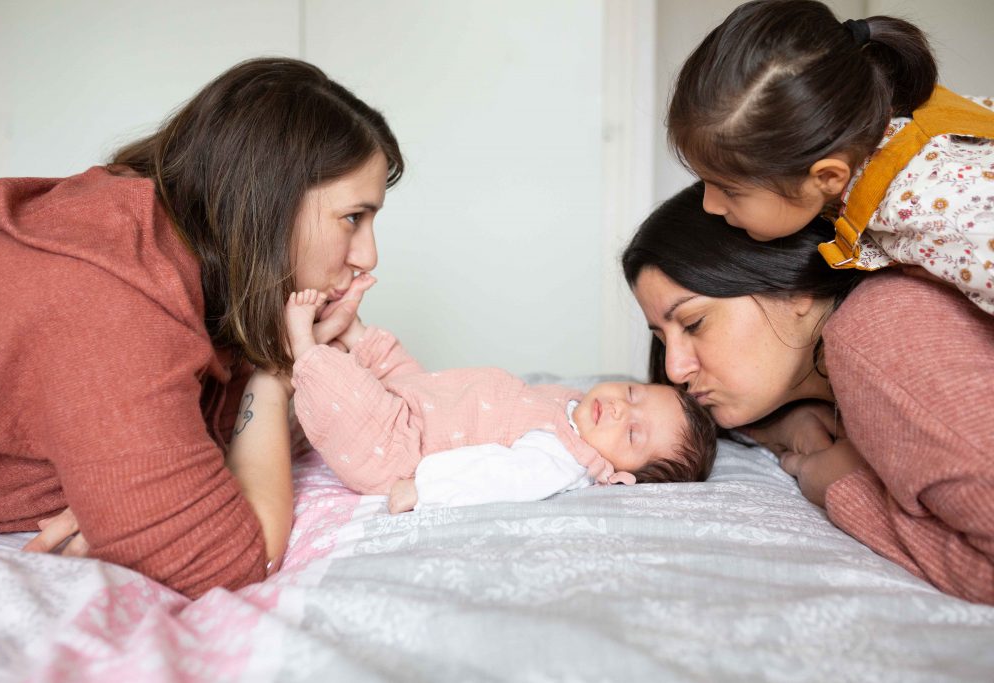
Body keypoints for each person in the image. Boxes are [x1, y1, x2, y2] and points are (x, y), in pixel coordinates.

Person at [0, 57, 404, 598]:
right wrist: (276, 375)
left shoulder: (195, 266)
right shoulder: (109, 293)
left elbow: (207, 455)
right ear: (270, 202)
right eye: (353, 218)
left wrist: (130, 502)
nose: (367, 256)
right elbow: (232, 563)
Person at [620, 182, 994, 605]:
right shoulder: (812, 376)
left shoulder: (877, 337)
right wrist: (789, 423)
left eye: (693, 324)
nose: (675, 369)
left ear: (793, 289)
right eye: (662, 338)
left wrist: (844, 487)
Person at [667, 0, 994, 315]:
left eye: (729, 190)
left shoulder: (930, 208)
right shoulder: (875, 114)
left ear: (827, 177)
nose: (709, 206)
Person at [281, 285, 717, 514]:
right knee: (407, 374)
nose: (621, 409)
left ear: (620, 477)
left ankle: (304, 348)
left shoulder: (562, 459)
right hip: (424, 407)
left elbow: (497, 477)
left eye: (633, 433)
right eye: (634, 394)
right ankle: (353, 333)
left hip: (400, 450)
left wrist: (425, 489)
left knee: (358, 406)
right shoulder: (573, 409)